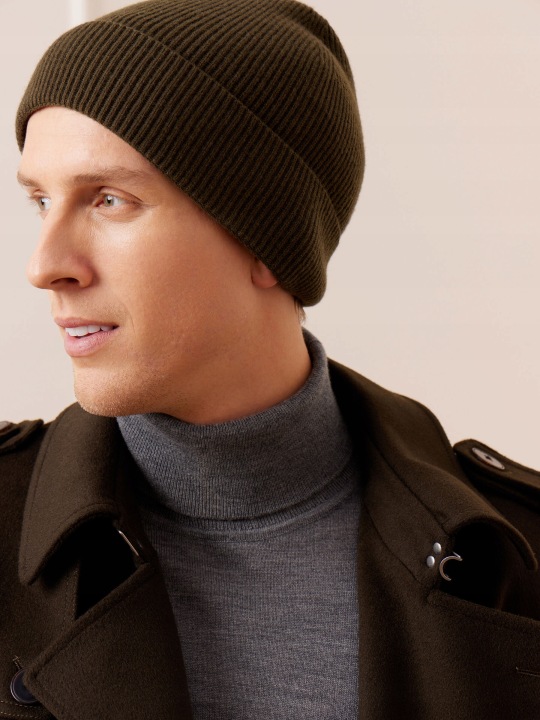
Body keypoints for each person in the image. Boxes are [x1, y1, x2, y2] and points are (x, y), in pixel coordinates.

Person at [2, 0, 540, 718]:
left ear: (268, 241)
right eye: (41, 200)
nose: (45, 265)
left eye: (109, 200)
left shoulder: (516, 554)